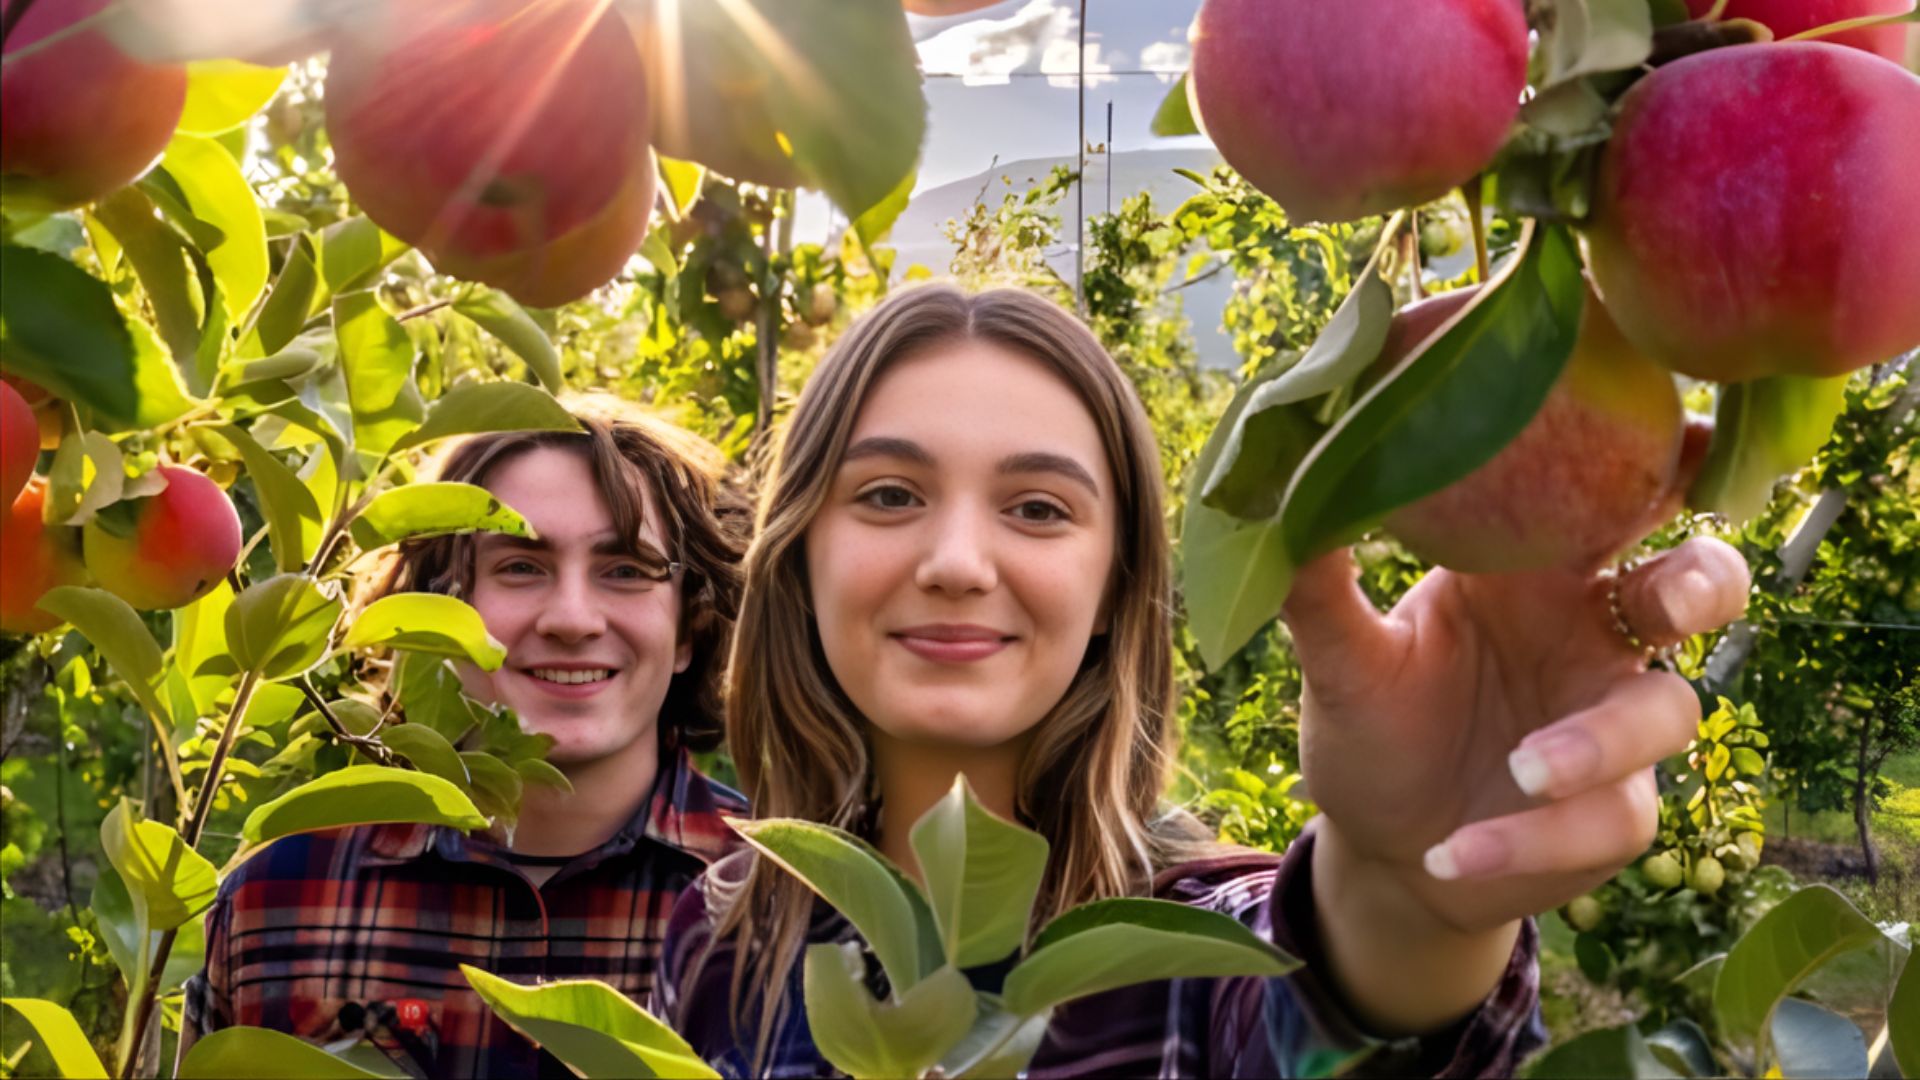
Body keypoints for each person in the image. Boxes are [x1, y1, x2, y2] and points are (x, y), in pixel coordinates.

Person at [655, 285, 1751, 1076]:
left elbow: (1333, 1013)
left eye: (1038, 508)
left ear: (1114, 583)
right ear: (801, 555)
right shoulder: (721, 943)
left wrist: (1410, 898)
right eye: (889, 495)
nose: (955, 562)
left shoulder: (1183, 961)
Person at [181, 395, 750, 1079]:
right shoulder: (273, 903)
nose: (572, 618)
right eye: (520, 566)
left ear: (689, 627)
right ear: (437, 611)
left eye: (625, 570)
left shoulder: (787, 906)